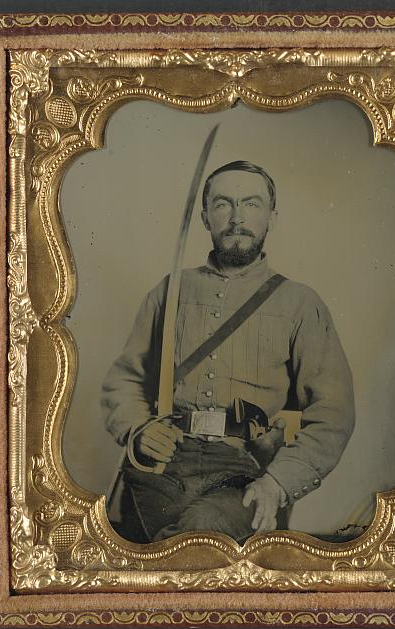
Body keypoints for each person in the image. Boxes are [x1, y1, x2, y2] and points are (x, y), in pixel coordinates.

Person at [101, 160, 355, 543]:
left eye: (251, 204)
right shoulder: (171, 291)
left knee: (199, 539)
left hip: (245, 471)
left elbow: (333, 414)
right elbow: (125, 380)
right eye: (223, 204)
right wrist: (139, 431)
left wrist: (278, 483)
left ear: (271, 215)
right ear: (205, 216)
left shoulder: (301, 303)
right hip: (160, 469)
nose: (237, 218)